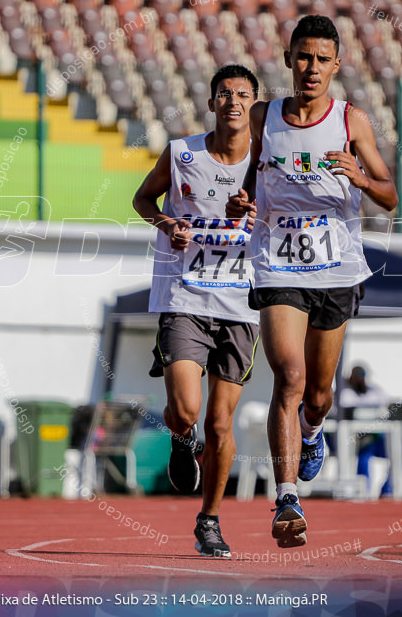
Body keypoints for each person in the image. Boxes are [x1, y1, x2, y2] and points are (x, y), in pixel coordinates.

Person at [227, 15, 398, 548]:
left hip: (337, 267)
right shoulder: (263, 116)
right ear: (288, 59)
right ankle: (286, 499)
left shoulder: (352, 121)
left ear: (337, 66)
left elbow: (391, 196)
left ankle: (314, 429)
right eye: (304, 57)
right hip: (278, 261)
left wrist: (360, 177)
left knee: (319, 394)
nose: (312, 68)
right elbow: (248, 172)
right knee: (290, 375)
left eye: (323, 60)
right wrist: (245, 199)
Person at [133, 64, 260, 558]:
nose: (232, 102)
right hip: (184, 298)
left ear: (254, 104)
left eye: (242, 94)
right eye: (224, 94)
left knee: (221, 425)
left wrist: (253, 213)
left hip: (240, 304)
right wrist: (167, 223)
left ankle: (209, 520)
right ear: (211, 104)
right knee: (187, 411)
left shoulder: (266, 161)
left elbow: (280, 219)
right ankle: (180, 440)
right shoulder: (183, 153)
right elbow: (143, 198)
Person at [339, 365, 395, 497]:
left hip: (374, 438)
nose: (361, 380)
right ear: (351, 378)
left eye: (363, 377)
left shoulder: (374, 391)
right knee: (365, 452)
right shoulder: (344, 392)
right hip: (354, 440)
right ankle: (363, 492)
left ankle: (388, 489)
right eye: (358, 377)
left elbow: (390, 405)